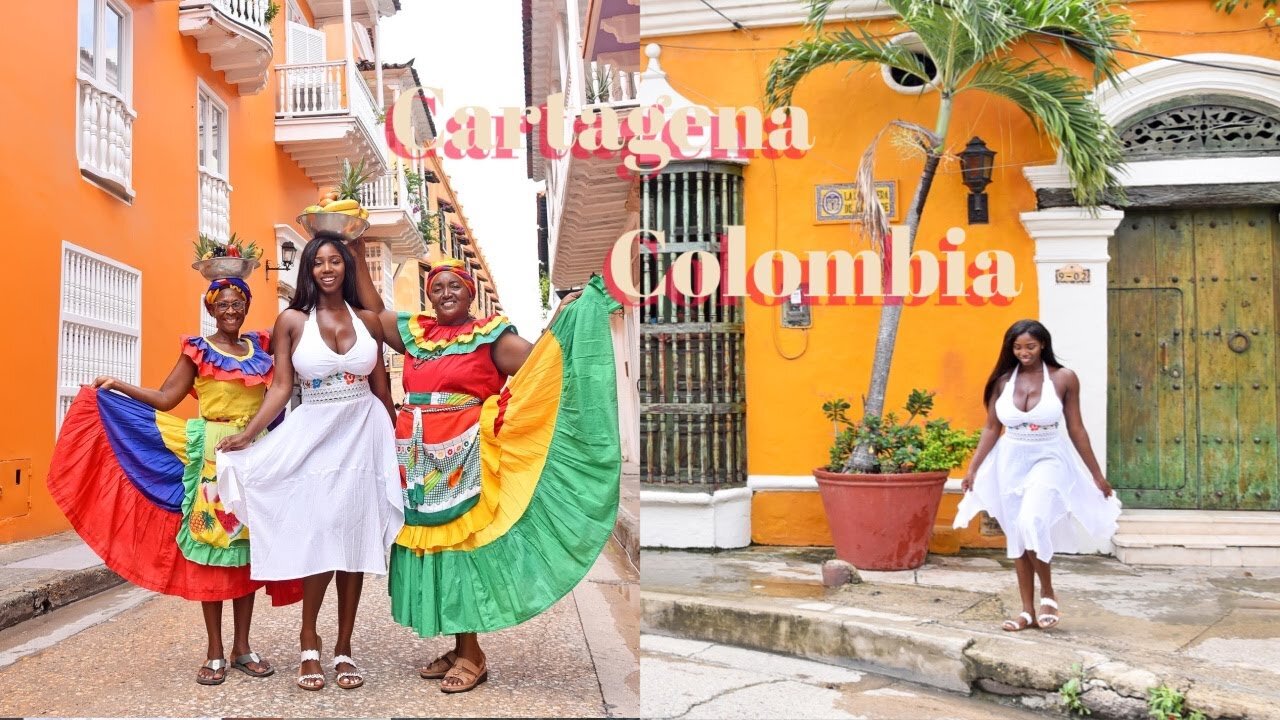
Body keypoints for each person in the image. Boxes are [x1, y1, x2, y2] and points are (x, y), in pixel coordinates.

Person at [349, 241, 621, 694]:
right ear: (430, 295)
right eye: (438, 287)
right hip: (416, 458)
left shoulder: (490, 336)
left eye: (455, 286)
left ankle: (472, 654)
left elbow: (542, 364)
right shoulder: (417, 333)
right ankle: (459, 646)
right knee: (434, 548)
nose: (446, 293)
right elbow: (374, 315)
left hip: (464, 457)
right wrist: (357, 253)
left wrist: (562, 318)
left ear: (470, 292)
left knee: (462, 549)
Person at [48, 276, 300, 686]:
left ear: (247, 306)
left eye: (238, 303)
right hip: (214, 458)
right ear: (210, 309)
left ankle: (243, 648)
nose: (231, 310)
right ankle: (214, 651)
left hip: (256, 458)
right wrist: (119, 386)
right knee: (211, 551)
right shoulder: (198, 351)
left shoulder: (260, 347)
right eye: (223, 304)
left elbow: (296, 342)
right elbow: (166, 398)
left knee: (247, 555)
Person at [215, 237, 404, 691]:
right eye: (318, 262)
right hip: (315, 435)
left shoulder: (369, 321)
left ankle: (344, 647)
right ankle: (308, 641)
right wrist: (249, 434)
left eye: (336, 260)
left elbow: (382, 389)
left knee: (356, 539)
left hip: (364, 433)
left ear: (347, 267)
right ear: (308, 270)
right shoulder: (292, 320)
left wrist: (399, 445)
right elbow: (281, 387)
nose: (327, 268)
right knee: (320, 532)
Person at [955, 319, 1122, 631]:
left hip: (1049, 457)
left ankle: (1048, 593)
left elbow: (1077, 428)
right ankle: (1026, 611)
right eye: (1017, 347)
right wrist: (973, 469)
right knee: (1017, 534)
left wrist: (1097, 475)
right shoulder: (1003, 382)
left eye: (1030, 346)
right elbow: (991, 428)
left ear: (1043, 344)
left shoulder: (1063, 378)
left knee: (1032, 520)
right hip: (1010, 460)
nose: (1024, 352)